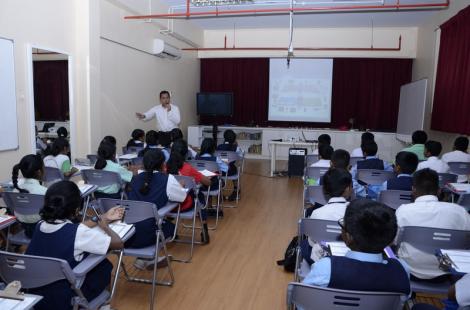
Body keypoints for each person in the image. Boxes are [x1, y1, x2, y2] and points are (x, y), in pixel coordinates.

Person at [25, 181, 124, 310]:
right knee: (104, 266)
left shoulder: (40, 226)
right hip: (65, 299)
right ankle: (104, 306)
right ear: (77, 210)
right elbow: (118, 244)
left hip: (37, 295)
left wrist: (102, 217)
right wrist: (105, 227)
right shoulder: (78, 233)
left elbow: (72, 228)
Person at [302, 199, 410, 298]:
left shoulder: (326, 268)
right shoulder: (402, 270)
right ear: (391, 241)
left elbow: (304, 300)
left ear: (348, 237)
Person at [395, 169, 470, 280]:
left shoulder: (403, 211)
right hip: (450, 271)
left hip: (409, 269)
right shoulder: (460, 212)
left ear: (413, 190)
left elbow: (396, 241)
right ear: (439, 191)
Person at [127, 149, 187, 269]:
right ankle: (149, 258)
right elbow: (181, 197)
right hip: (149, 233)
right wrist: (180, 187)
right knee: (170, 228)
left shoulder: (134, 179)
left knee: (146, 222)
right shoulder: (167, 179)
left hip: (127, 234)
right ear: (163, 164)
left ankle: (145, 259)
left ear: (143, 163)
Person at [301, 168, 352, 265]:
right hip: (348, 258)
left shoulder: (316, 213)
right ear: (347, 189)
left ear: (324, 190)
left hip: (321, 259)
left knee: (304, 244)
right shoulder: (355, 212)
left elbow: (312, 242)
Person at [166, 139, 211, 243]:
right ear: (186, 153)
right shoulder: (188, 168)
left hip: (168, 206)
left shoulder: (164, 167)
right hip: (185, 205)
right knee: (199, 196)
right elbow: (207, 182)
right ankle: (204, 230)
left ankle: (170, 230)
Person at [11, 154, 47, 237]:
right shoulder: (44, 192)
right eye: (43, 167)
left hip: (25, 230)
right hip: (42, 232)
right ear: (39, 172)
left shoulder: (15, 191)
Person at [217, 129, 243, 200]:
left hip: (220, 172)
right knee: (235, 168)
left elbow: (217, 158)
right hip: (230, 171)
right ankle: (236, 190)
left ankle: (219, 191)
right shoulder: (236, 148)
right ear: (234, 139)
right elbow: (241, 157)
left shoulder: (219, 147)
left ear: (224, 137)